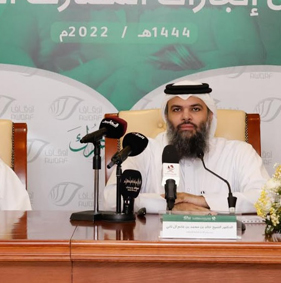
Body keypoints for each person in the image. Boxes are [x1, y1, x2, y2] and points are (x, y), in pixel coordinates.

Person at [104, 81, 269, 214]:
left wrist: (203, 201)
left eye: (195, 109)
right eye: (177, 110)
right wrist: (168, 206)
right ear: (167, 117)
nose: (186, 117)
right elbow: (112, 198)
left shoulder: (238, 152)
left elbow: (266, 199)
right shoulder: (143, 150)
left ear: (210, 116)